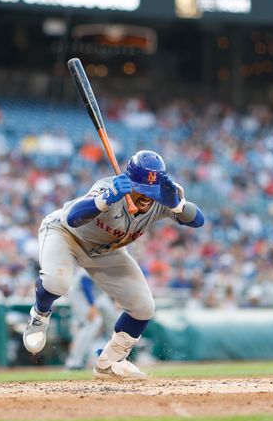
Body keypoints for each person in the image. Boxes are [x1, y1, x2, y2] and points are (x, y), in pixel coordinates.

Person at [22, 151, 204, 379]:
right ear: (131, 182)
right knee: (58, 281)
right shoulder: (110, 187)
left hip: (106, 251)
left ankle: (111, 362)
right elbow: (71, 218)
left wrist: (177, 205)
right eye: (141, 189)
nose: (147, 196)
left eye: (152, 190)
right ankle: (39, 314)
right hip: (67, 236)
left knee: (144, 308)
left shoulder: (165, 194)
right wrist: (105, 199)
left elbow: (198, 221)